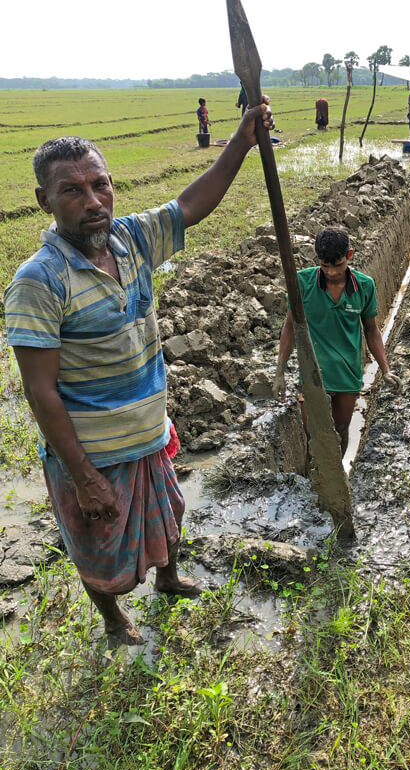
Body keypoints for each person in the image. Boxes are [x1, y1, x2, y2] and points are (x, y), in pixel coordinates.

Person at [3, 101, 274, 645]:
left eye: (100, 184)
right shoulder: (39, 281)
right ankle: (113, 618)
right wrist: (85, 477)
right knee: (96, 544)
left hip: (149, 435)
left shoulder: (131, 239)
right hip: (94, 454)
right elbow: (40, 391)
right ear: (45, 201)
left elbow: (190, 205)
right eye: (72, 191)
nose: (93, 201)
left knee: (169, 514)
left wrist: (241, 142)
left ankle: (170, 578)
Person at [273, 227, 401, 456]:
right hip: (314, 372)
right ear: (317, 260)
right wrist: (279, 371)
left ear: (349, 255)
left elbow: (371, 330)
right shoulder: (302, 282)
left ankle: (339, 475)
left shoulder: (364, 286)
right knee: (313, 431)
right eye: (325, 266)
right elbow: (290, 326)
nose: (331, 272)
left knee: (340, 429)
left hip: (347, 372)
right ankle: (317, 477)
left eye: (338, 265)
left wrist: (385, 369)